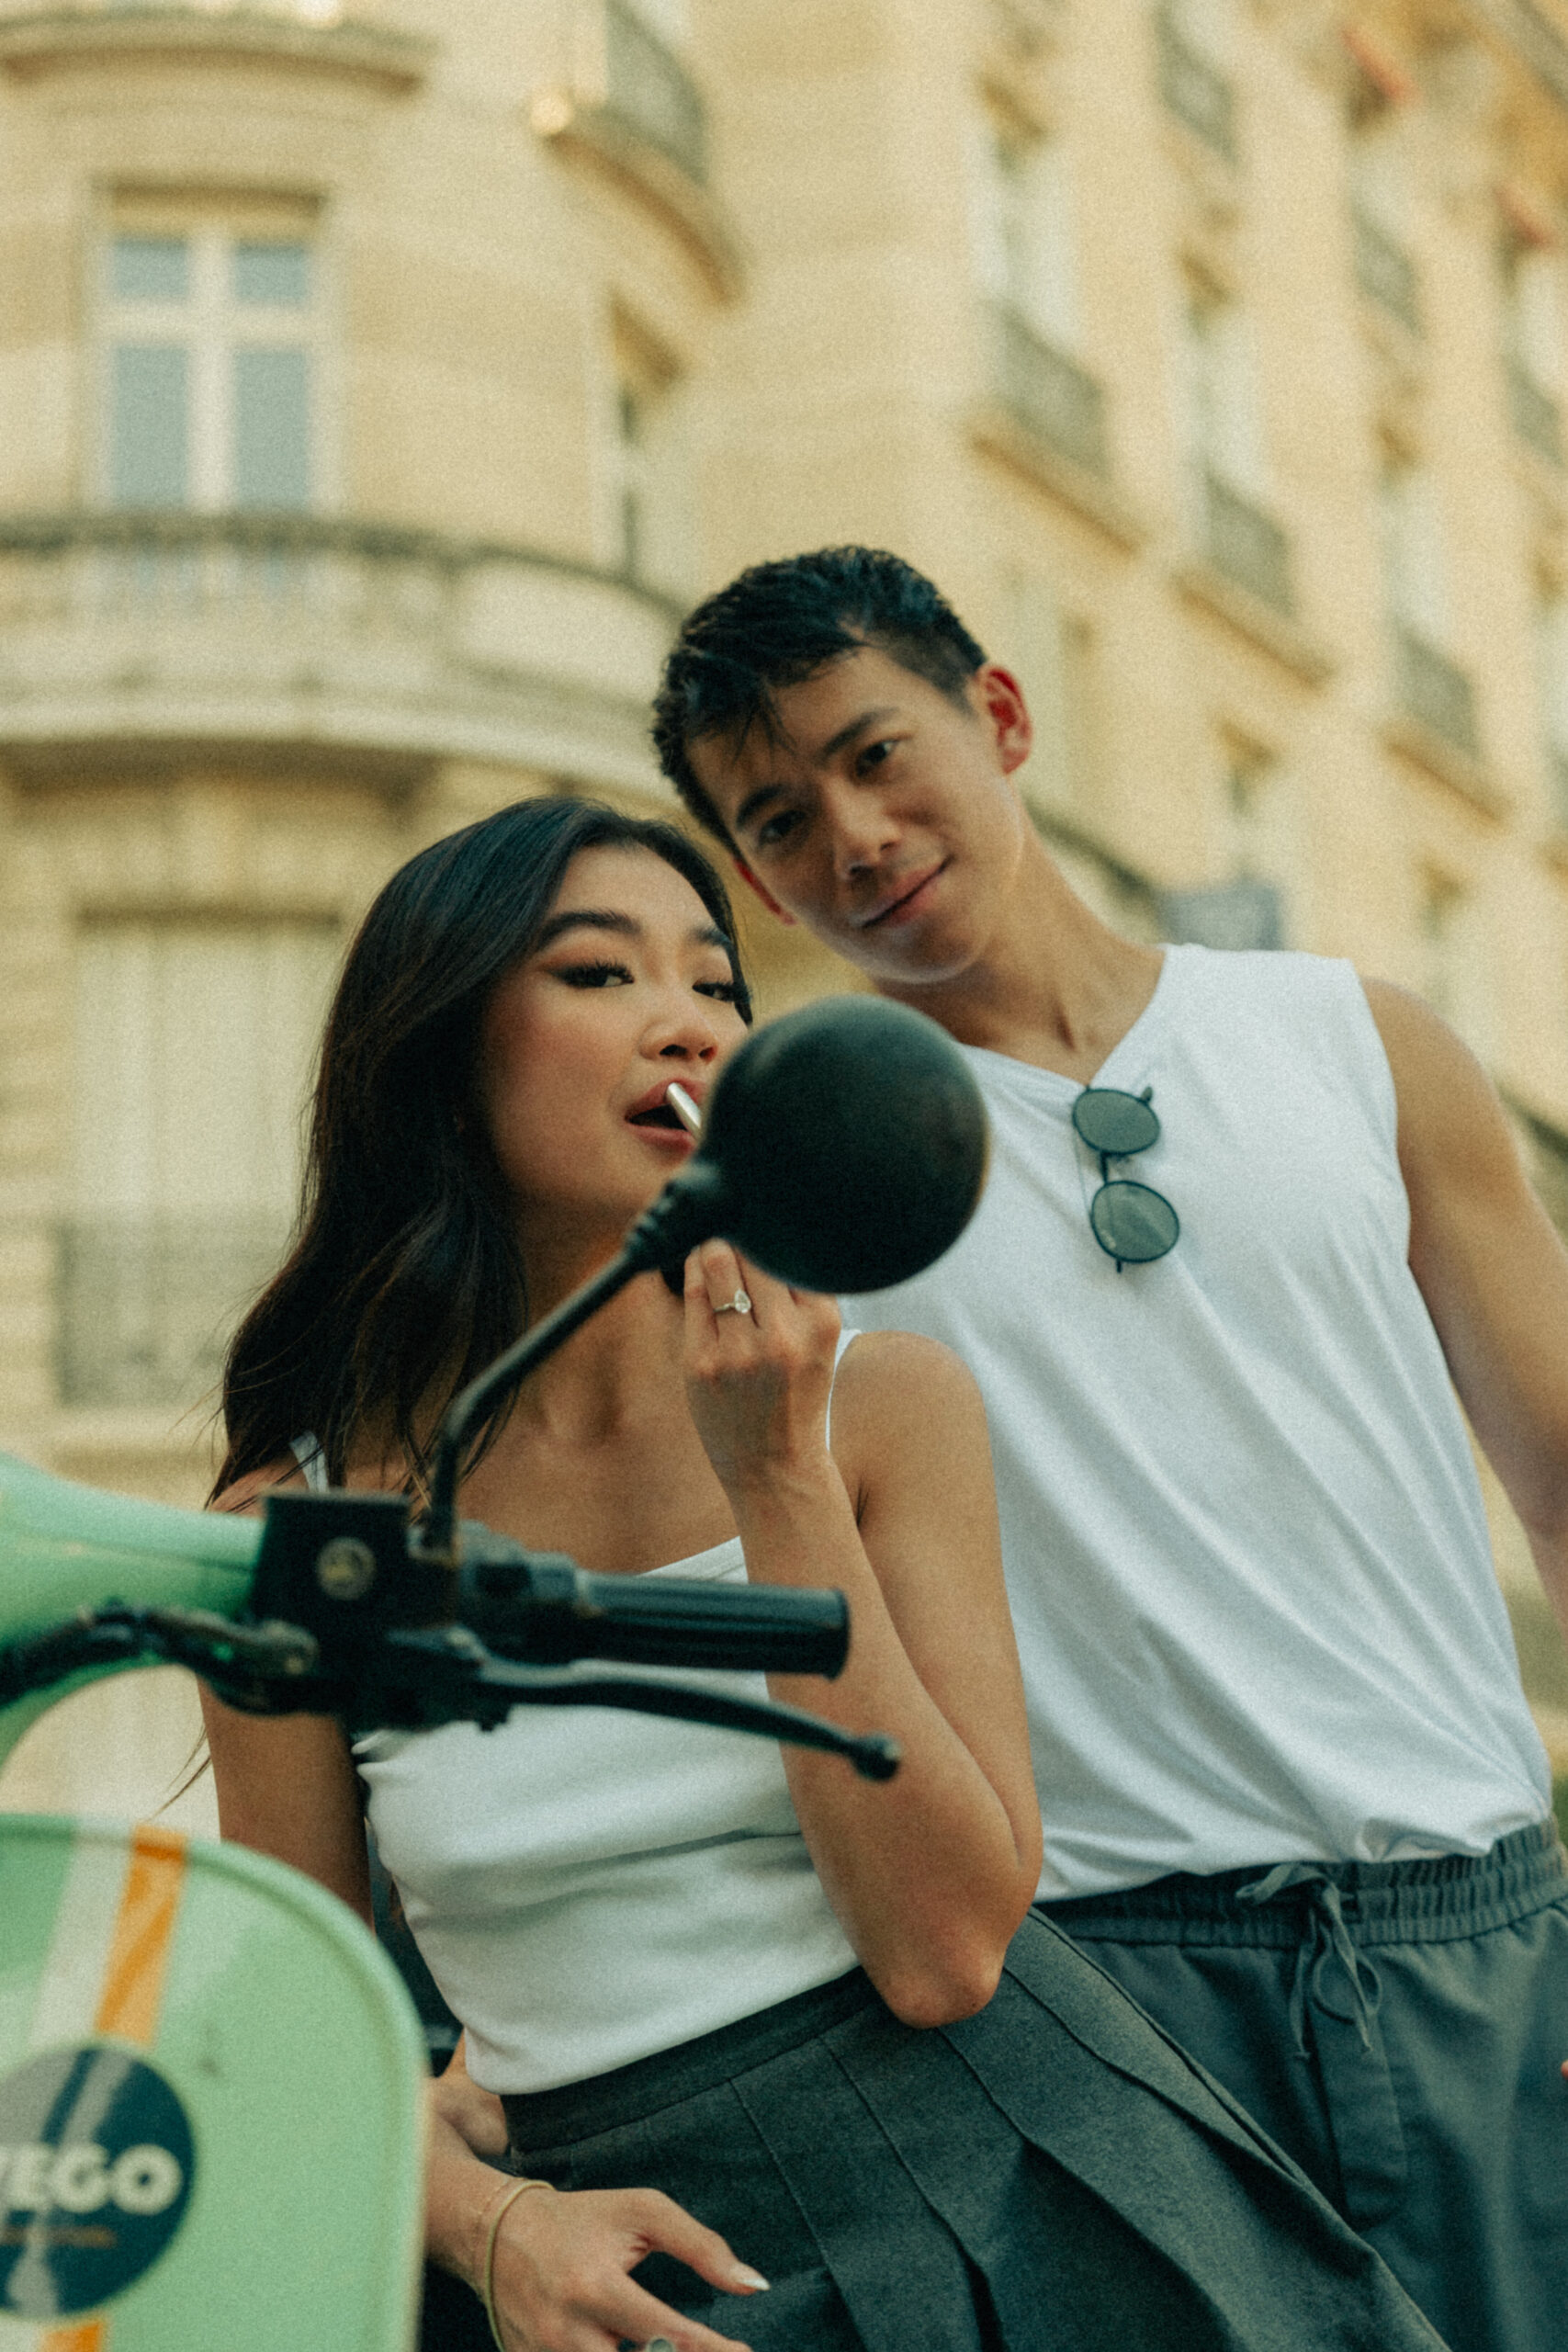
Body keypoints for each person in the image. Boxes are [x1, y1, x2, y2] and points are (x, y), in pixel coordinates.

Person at [198, 797, 1443, 2352]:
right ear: (441, 1053)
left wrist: (775, 1477)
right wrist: (486, 2226)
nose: (690, 1025)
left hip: (1006, 2176)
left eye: (720, 986)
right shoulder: (291, 1536)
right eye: (599, 976)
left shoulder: (882, 1405)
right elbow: (299, 2030)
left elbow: (944, 1954)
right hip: (603, 2261)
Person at [651, 545, 1568, 2352]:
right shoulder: (807, 1168)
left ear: (996, 715)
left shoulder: (1353, 1039)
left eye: (873, 753)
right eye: (775, 816)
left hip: (1480, 1933)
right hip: (1114, 1997)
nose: (844, 833)